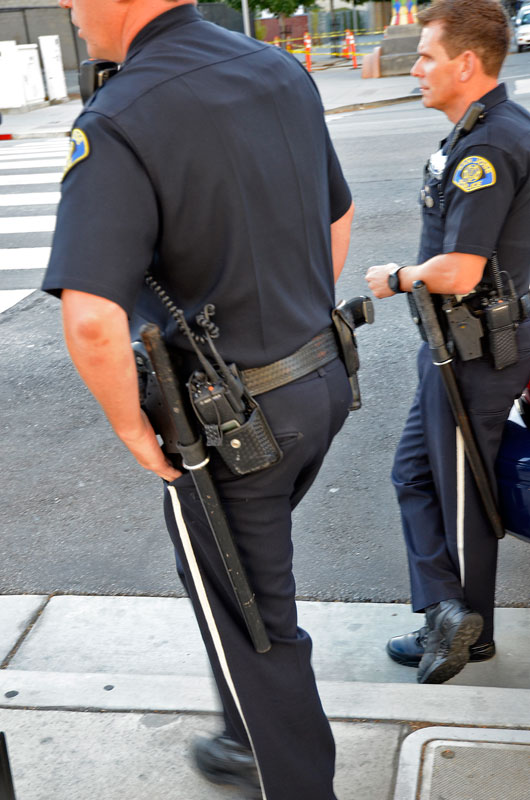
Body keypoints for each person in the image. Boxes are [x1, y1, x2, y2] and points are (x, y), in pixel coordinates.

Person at [43, 0, 354, 797]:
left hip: (228, 426)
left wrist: (129, 428)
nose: (73, 15)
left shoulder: (121, 113)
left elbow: (93, 320)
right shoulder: (273, 65)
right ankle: (245, 733)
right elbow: (338, 216)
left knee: (257, 627)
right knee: (234, 582)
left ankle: (286, 771)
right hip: (316, 379)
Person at [365, 0, 530, 685]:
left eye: (428, 56)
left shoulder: (488, 145)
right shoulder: (489, 129)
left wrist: (396, 276)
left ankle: (470, 631)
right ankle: (445, 611)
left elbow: (459, 271)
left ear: (467, 63)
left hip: (473, 352)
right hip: (472, 347)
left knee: (458, 493)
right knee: (415, 473)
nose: (418, 68)